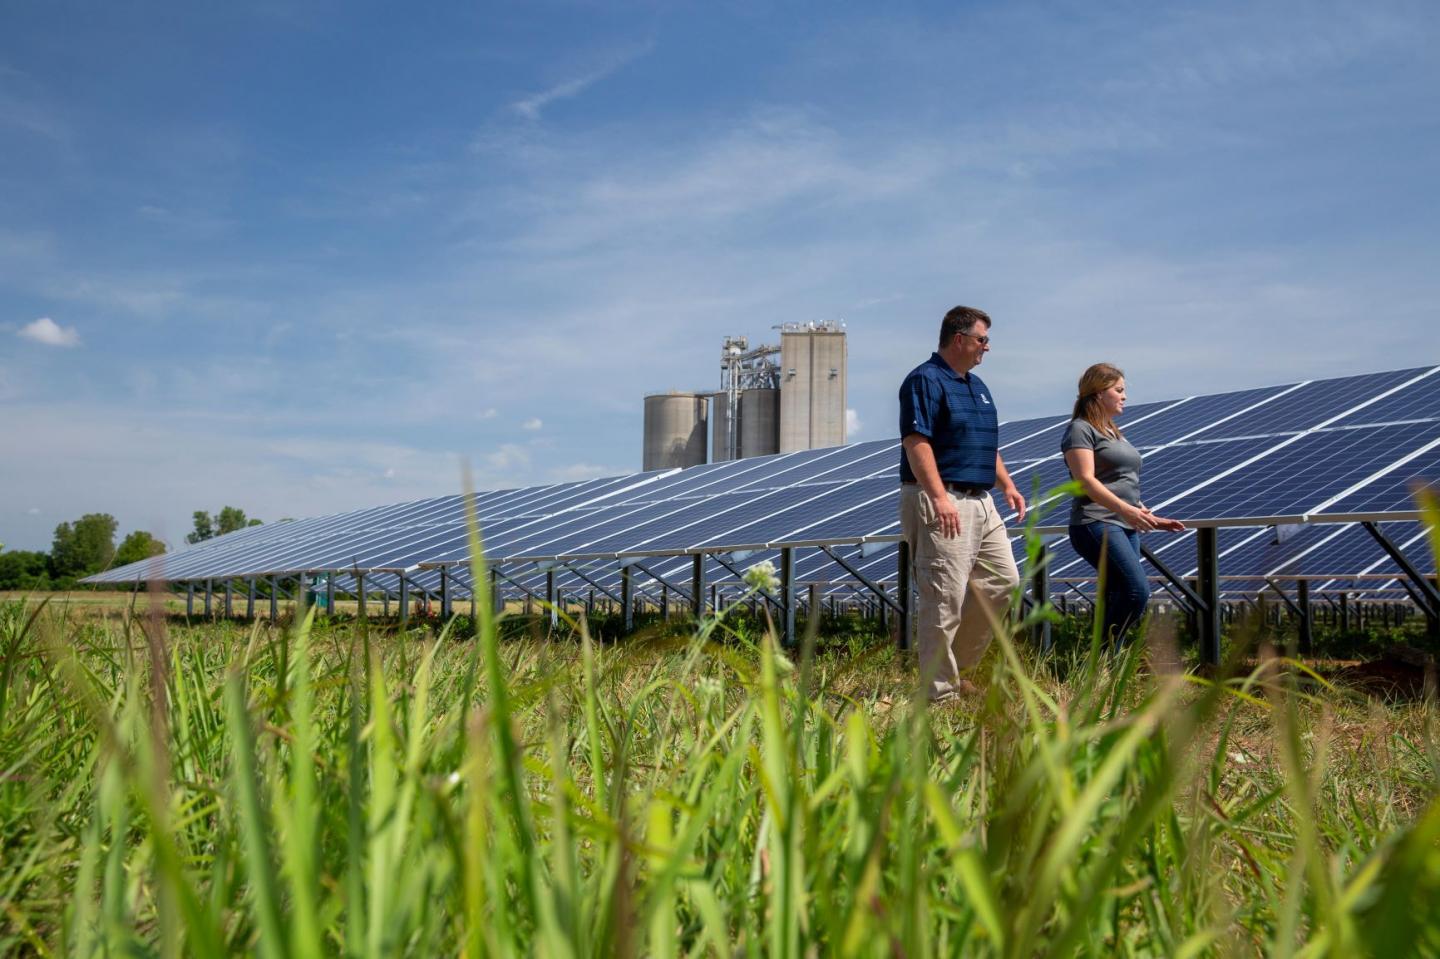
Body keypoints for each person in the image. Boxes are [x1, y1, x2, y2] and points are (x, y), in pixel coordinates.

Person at [898, 305, 1026, 704]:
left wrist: (1007, 484)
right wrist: (939, 497)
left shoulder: (979, 386)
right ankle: (938, 695)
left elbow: (986, 443)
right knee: (944, 595)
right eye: (982, 339)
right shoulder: (924, 380)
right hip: (943, 497)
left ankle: (958, 668)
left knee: (1003, 582)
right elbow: (917, 442)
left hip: (981, 500)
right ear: (960, 339)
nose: (986, 348)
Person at [1061, 363, 1185, 645]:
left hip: (1122, 522)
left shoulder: (1113, 432)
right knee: (1135, 591)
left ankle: (1103, 673)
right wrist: (1126, 510)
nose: (1124, 397)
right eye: (1119, 390)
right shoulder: (1080, 430)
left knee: (1117, 594)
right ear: (1098, 393)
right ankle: (1098, 657)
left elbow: (1121, 482)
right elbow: (1086, 482)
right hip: (1096, 522)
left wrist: (1144, 513)